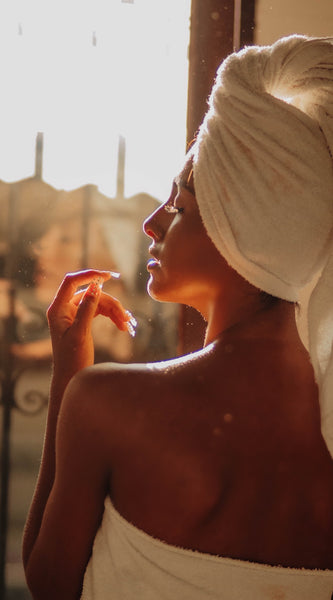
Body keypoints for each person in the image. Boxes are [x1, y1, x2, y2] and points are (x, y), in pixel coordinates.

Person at [23, 34, 333, 600]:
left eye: (181, 204)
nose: (152, 222)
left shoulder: (108, 404)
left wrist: (71, 373)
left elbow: (49, 584)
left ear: (240, 232)